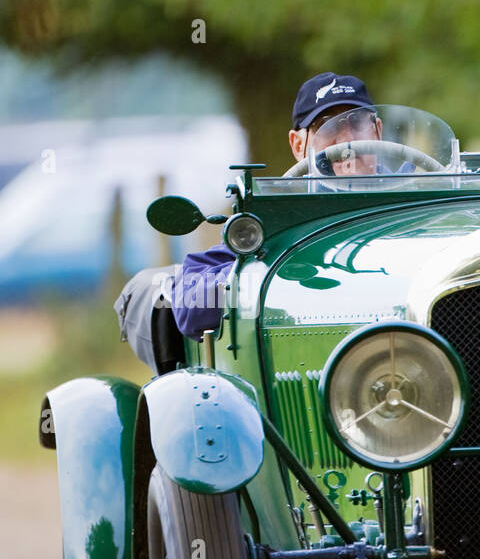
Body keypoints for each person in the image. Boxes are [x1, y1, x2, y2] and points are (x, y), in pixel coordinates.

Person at [116, 72, 377, 373]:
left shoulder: (423, 197)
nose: (346, 142)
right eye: (325, 128)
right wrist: (265, 274)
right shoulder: (278, 218)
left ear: (377, 131)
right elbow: (191, 308)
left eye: (356, 123)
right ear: (298, 144)